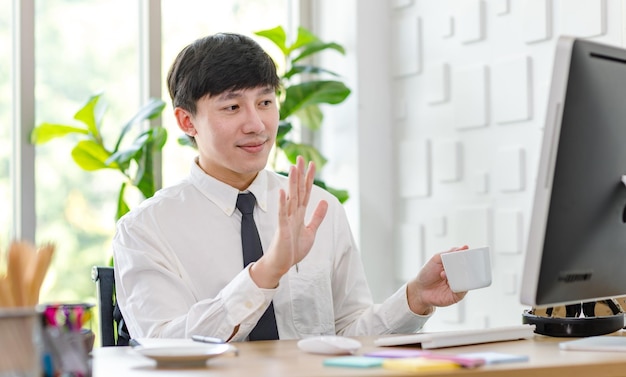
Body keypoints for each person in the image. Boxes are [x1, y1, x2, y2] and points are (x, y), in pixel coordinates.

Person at [112, 32, 468, 342]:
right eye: (233, 107)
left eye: (265, 102)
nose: (256, 124)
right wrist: (267, 271)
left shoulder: (318, 209)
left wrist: (414, 298)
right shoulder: (144, 229)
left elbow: (349, 339)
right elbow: (162, 347)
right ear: (187, 121)